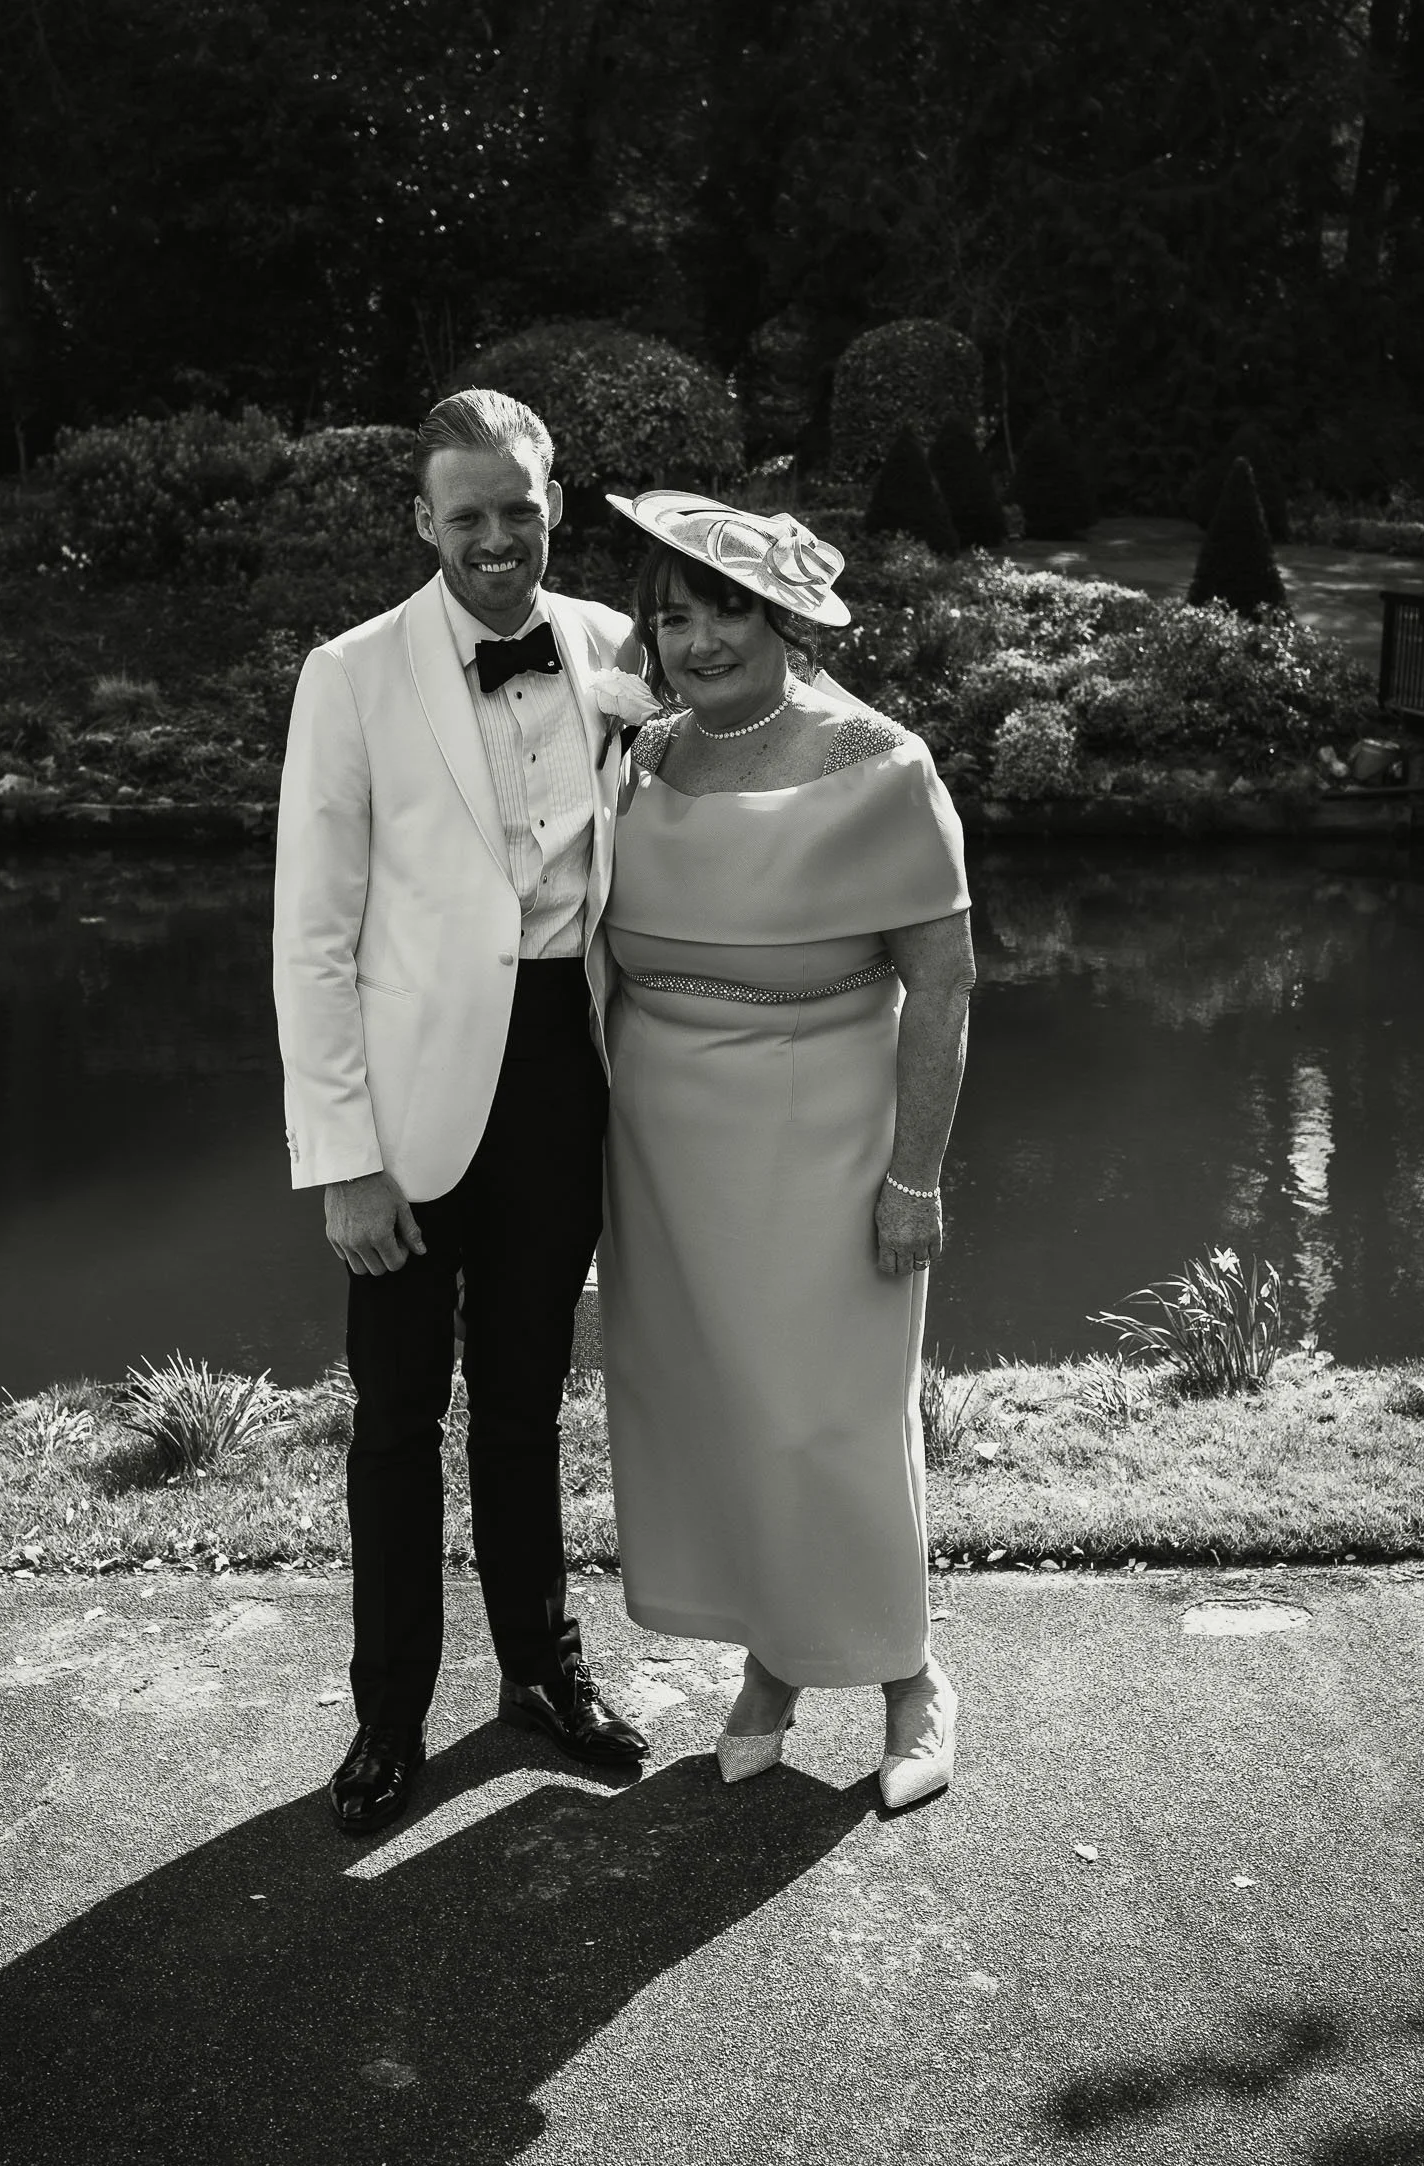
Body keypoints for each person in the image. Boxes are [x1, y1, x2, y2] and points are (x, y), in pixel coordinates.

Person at [273, 388, 650, 1836]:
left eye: (521, 508)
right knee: (396, 1418)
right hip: (411, 1097)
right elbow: (313, 937)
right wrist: (346, 1161)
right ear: (424, 522)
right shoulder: (352, 675)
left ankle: (541, 1678)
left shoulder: (622, 649)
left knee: (525, 1403)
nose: (498, 538)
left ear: (555, 500)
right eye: (467, 514)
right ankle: (387, 1716)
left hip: (568, 1067)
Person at [596, 490, 975, 1810]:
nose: (696, 641)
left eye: (726, 613)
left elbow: (946, 983)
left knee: (835, 1416)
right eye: (673, 614)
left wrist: (915, 1178)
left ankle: (909, 1678)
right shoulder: (638, 757)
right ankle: (771, 1660)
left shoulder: (883, 763)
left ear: (788, 621)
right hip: (663, 1141)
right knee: (725, 1409)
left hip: (828, 1129)